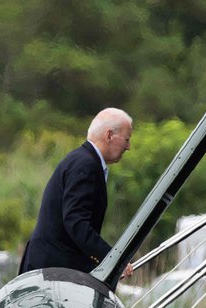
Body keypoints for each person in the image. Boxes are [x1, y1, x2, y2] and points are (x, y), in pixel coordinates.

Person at [19, 107, 134, 277]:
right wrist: (112, 259)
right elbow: (76, 222)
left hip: (53, 265)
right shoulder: (86, 165)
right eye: (126, 139)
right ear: (109, 135)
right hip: (53, 270)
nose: (128, 147)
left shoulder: (83, 161)